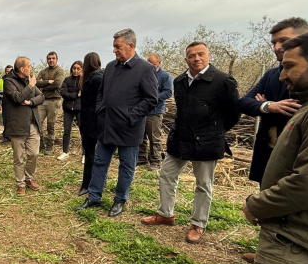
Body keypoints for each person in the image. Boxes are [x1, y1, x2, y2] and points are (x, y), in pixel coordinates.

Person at [239, 33, 308, 264]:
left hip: (294, 234)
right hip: (294, 231)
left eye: (290, 66)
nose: (282, 75)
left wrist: (258, 205)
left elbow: (305, 181)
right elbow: (246, 101)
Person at [140, 42, 240, 243]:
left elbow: (233, 114)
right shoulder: (180, 81)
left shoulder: (223, 81)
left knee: (203, 184)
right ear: (186, 59)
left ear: (209, 55)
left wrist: (214, 132)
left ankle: (198, 224)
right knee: (167, 175)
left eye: (200, 54)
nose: (196, 58)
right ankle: (166, 213)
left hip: (207, 142)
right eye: (192, 55)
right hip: (181, 138)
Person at [238, 17, 308, 264]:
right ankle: (266, 250)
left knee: (290, 205)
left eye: (284, 41)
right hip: (270, 150)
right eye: (274, 43)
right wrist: (270, 105)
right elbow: (245, 102)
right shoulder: (272, 74)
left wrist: (264, 104)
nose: (278, 47)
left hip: (296, 153)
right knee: (268, 194)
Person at [75, 29, 158, 217]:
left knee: (126, 166)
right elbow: (101, 93)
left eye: (117, 47)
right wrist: (100, 110)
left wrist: (130, 116)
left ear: (131, 45)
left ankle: (120, 200)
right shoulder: (111, 67)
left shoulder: (145, 69)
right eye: (114, 47)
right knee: (99, 162)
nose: (114, 50)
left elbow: (151, 99)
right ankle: (94, 196)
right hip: (107, 126)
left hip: (129, 129)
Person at [3, 57, 45, 196]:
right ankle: (20, 183)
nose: (31, 69)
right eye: (29, 66)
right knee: (19, 157)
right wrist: (31, 86)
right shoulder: (9, 82)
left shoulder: (29, 80)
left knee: (34, 153)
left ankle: (28, 178)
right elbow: (17, 98)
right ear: (22, 69)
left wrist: (30, 102)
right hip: (17, 125)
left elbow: (41, 97)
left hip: (32, 124)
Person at [137, 53, 173, 171]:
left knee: (154, 138)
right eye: (148, 63)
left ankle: (156, 162)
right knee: (141, 136)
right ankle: (141, 159)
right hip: (142, 110)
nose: (150, 66)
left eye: (153, 64)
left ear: (159, 63)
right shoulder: (143, 75)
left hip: (155, 111)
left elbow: (168, 92)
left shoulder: (165, 76)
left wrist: (152, 99)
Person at [77, 53, 104, 196]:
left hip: (93, 121)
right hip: (91, 120)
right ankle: (91, 182)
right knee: (92, 153)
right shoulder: (93, 77)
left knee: (91, 153)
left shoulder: (96, 78)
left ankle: (87, 184)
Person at [36, 52, 65, 155]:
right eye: (49, 58)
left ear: (57, 59)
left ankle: (49, 146)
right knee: (37, 122)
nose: (51, 60)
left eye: (53, 58)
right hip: (42, 100)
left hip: (54, 100)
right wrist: (48, 82)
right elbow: (36, 83)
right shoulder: (43, 71)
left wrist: (43, 86)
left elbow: (57, 84)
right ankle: (40, 145)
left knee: (50, 124)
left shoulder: (59, 71)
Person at [58, 61, 83, 161]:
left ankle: (84, 154)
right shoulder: (67, 80)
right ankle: (65, 152)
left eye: (78, 68)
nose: (76, 70)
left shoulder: (84, 81)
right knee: (66, 131)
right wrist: (76, 95)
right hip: (68, 108)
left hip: (80, 109)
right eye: (74, 68)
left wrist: (72, 95)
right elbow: (62, 92)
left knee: (82, 131)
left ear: (82, 70)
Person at [0, 65, 13, 143]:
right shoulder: (1, 81)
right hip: (5, 103)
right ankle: (6, 137)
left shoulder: (15, 80)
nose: (8, 73)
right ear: (5, 72)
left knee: (13, 120)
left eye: (10, 71)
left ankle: (13, 137)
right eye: (7, 71)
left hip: (14, 103)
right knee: (5, 120)